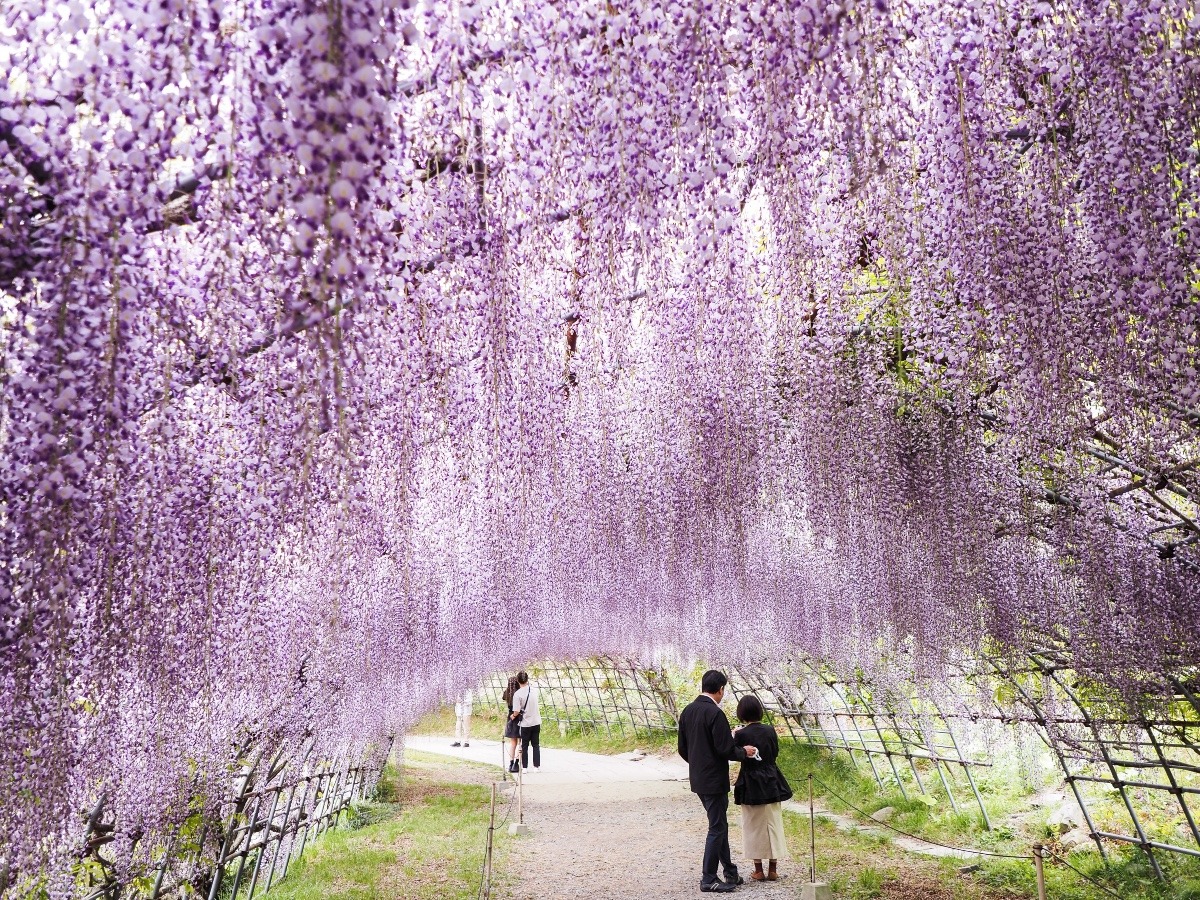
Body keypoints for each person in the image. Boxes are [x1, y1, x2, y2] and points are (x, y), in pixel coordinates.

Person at [678, 670, 757, 893]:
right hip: (714, 780)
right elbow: (725, 749)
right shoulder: (715, 713)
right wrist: (744, 752)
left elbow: (683, 748)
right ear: (721, 689)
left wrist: (698, 763)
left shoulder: (688, 711)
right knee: (717, 827)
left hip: (699, 778)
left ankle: (730, 872)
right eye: (724, 690)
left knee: (719, 824)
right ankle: (708, 878)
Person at [732, 694, 792, 882]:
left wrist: (734, 737)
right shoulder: (770, 730)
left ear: (741, 713)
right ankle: (773, 869)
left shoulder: (741, 734)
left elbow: (737, 754)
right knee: (773, 822)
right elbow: (775, 752)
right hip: (771, 779)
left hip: (750, 782)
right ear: (759, 711)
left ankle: (758, 870)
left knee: (753, 825)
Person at [511, 670, 542, 771]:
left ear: (518, 681)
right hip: (536, 721)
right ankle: (536, 767)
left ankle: (524, 768)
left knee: (524, 746)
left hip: (525, 723)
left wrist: (513, 716)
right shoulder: (534, 690)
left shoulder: (517, 694)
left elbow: (516, 711)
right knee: (536, 744)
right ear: (527, 680)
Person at [502, 675, 522, 773]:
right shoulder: (519, 693)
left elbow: (503, 698)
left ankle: (510, 763)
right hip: (519, 717)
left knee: (513, 743)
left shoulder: (507, 693)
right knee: (520, 742)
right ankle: (516, 764)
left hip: (510, 717)